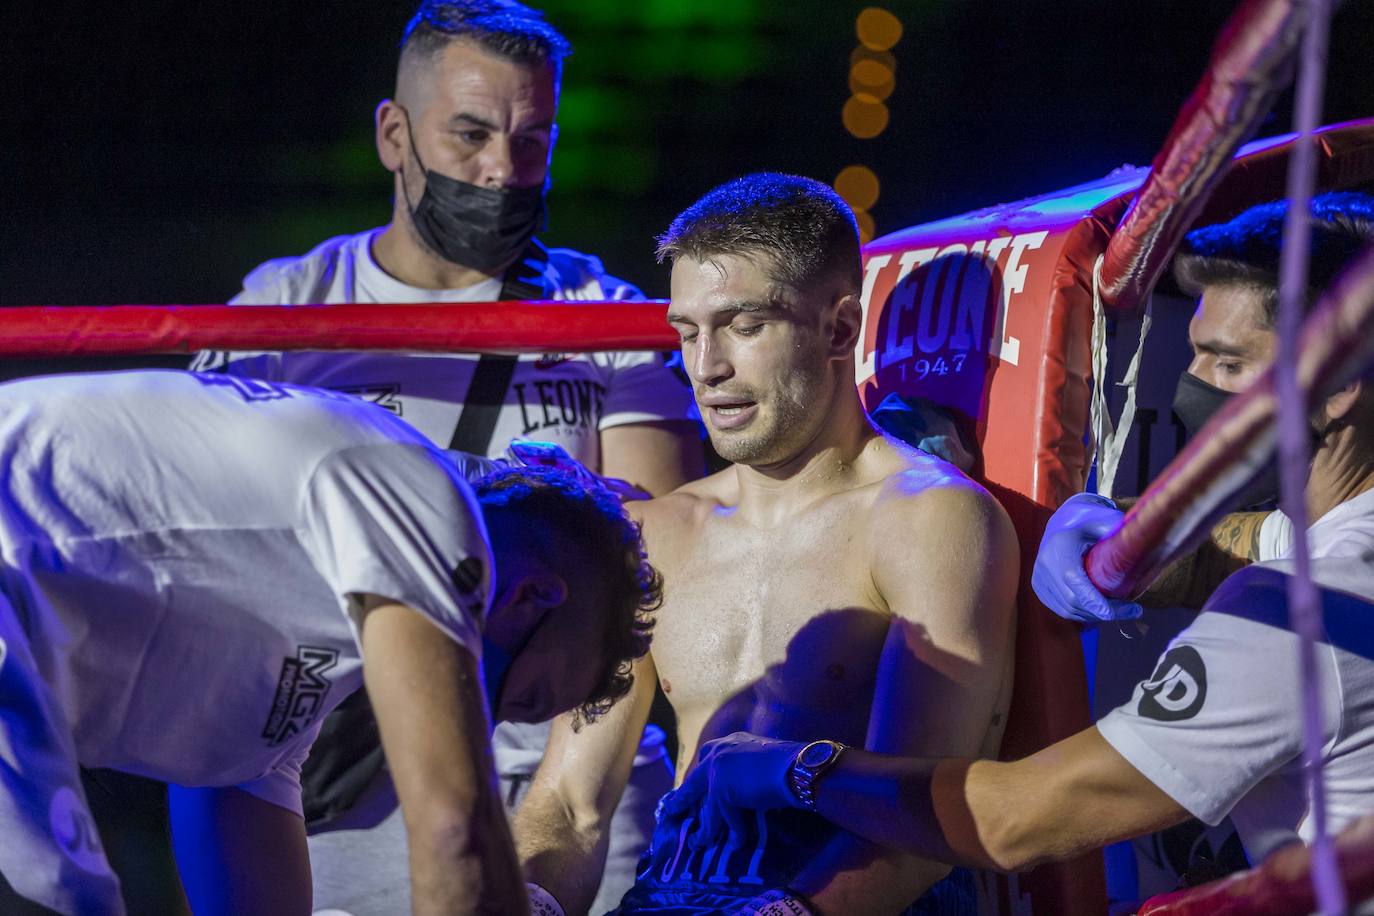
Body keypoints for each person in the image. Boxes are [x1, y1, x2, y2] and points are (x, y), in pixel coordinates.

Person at [661, 194, 1374, 901]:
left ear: (1338, 387)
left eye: (1226, 365)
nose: (1192, 390)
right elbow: (1252, 545)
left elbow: (1013, 821)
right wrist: (1114, 526)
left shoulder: (1302, 612)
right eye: (1193, 357)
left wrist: (788, 768)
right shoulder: (1333, 549)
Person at [189, 3, 700, 911]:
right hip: (337, 793)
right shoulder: (286, 312)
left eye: (533, 140)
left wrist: (564, 813)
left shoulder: (600, 314)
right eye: (469, 134)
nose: (501, 171)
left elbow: (649, 586)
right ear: (395, 134)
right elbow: (212, 578)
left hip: (551, 776)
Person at [510, 172, 1020, 916]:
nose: (707, 367)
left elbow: (919, 823)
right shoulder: (654, 535)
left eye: (744, 326)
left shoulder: (928, 519)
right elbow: (569, 802)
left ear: (839, 329)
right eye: (687, 332)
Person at [0, 369, 659, 916]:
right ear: (530, 597)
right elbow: (455, 830)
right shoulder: (422, 503)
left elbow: (249, 857)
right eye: (526, 696)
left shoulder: (289, 685)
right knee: (59, 897)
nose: (488, 726)